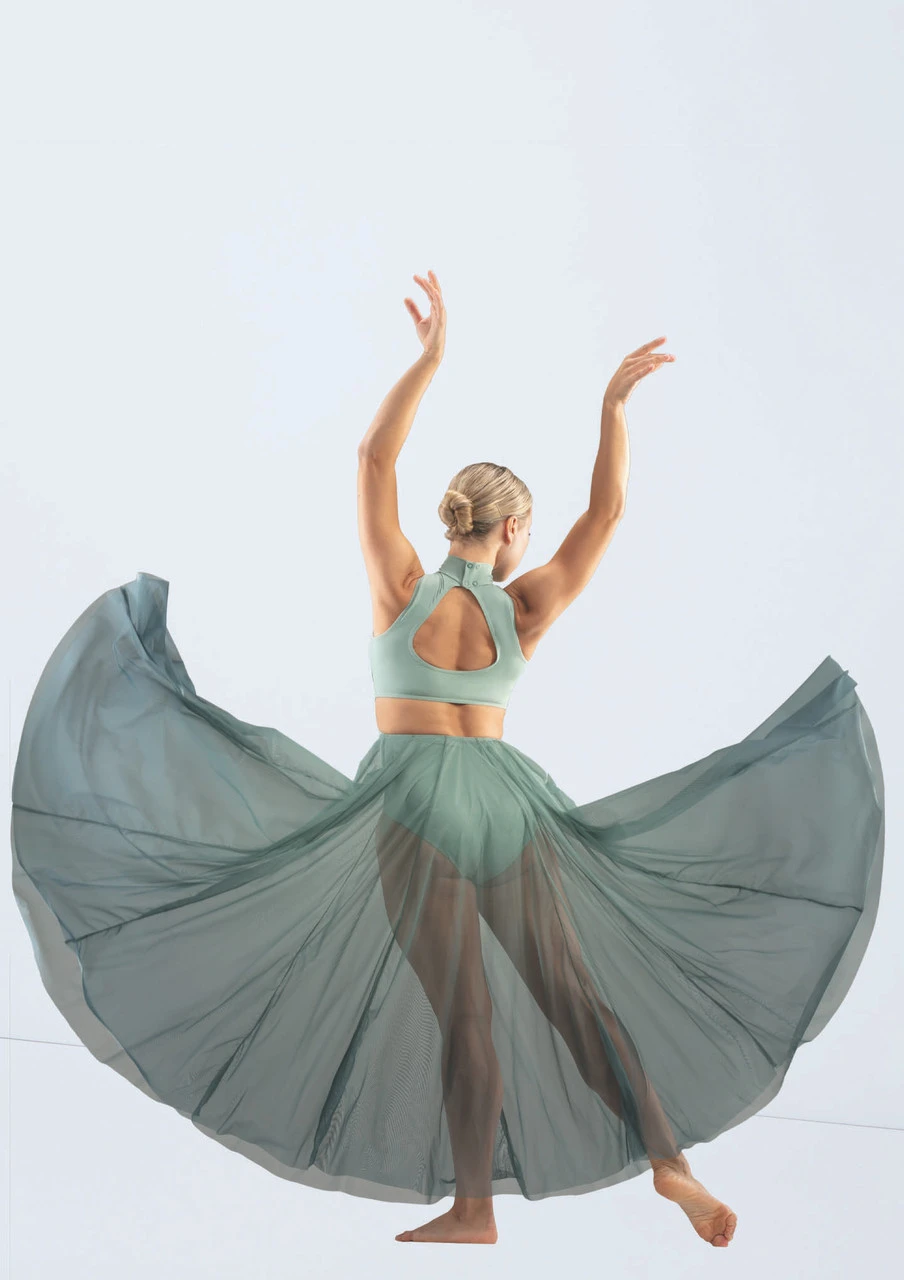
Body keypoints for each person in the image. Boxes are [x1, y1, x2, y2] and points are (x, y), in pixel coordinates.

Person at [11, 271, 885, 1250]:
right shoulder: (525, 607)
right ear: (510, 530)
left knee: (463, 1011)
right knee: (574, 1001)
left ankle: (475, 1208)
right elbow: (605, 517)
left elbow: (373, 457)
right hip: (508, 808)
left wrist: (428, 360)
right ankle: (668, 1159)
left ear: (455, 520)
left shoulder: (400, 587)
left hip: (412, 806)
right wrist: (611, 409)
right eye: (526, 530)